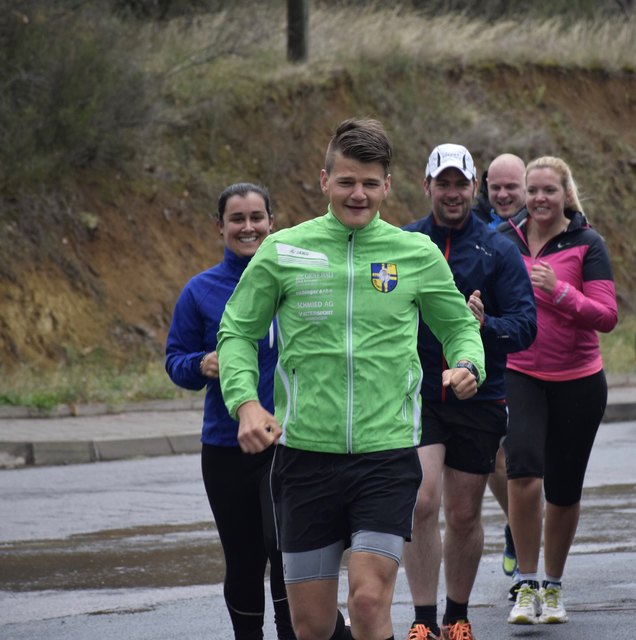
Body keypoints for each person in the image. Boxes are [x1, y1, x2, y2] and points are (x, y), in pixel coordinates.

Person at [217, 119, 486, 640]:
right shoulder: (283, 251)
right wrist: (246, 404)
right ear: (324, 182)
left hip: (384, 456)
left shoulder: (415, 254)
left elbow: (457, 326)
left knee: (367, 601)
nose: (357, 194)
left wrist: (467, 364)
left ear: (387, 186)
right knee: (312, 625)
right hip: (304, 459)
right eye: (346, 182)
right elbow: (236, 332)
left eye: (369, 183)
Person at [401, 143, 536, 640]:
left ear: (474, 188)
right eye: (444, 183)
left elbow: (525, 326)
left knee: (462, 512)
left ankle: (456, 616)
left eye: (462, 184)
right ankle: (422, 619)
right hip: (419, 395)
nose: (453, 193)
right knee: (420, 501)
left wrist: (484, 326)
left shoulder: (498, 248)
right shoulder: (406, 243)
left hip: (479, 396)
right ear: (427, 186)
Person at [165, 183, 296, 640]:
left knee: (283, 548)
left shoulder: (293, 281)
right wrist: (202, 363)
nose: (248, 227)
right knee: (243, 558)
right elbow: (174, 361)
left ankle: (293, 632)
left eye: (256, 217)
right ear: (219, 226)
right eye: (237, 219)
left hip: (287, 441)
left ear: (271, 222)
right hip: (225, 445)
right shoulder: (200, 291)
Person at [500, 156, 618, 625]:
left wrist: (559, 292)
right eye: (533, 190)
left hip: (579, 381)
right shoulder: (506, 240)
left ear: (566, 194)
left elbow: (606, 316)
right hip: (521, 371)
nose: (540, 199)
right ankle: (525, 584)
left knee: (564, 492)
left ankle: (552, 586)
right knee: (523, 474)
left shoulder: (588, 244)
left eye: (549, 190)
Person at [477, 152, 528, 579]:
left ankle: (523, 525)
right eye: (496, 187)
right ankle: (517, 523)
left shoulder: (549, 225)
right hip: (492, 356)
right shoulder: (474, 226)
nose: (504, 194)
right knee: (496, 454)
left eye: (512, 186)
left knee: (526, 460)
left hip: (536, 359)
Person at [472, 153, 527, 228]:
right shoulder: (469, 222)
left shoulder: (541, 222)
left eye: (510, 187)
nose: (502, 195)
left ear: (527, 183)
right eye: (496, 188)